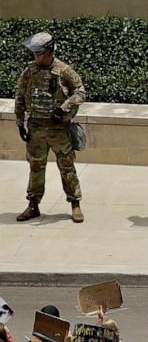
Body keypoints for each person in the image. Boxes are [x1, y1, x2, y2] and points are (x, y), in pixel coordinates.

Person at [14, 31, 86, 224]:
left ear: (49, 51)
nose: (36, 57)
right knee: (36, 167)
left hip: (58, 129)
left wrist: (63, 109)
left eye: (39, 53)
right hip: (36, 127)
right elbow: (20, 96)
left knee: (67, 167)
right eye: (34, 53)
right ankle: (33, 205)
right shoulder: (30, 71)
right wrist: (20, 124)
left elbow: (80, 92)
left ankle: (75, 204)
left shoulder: (64, 70)